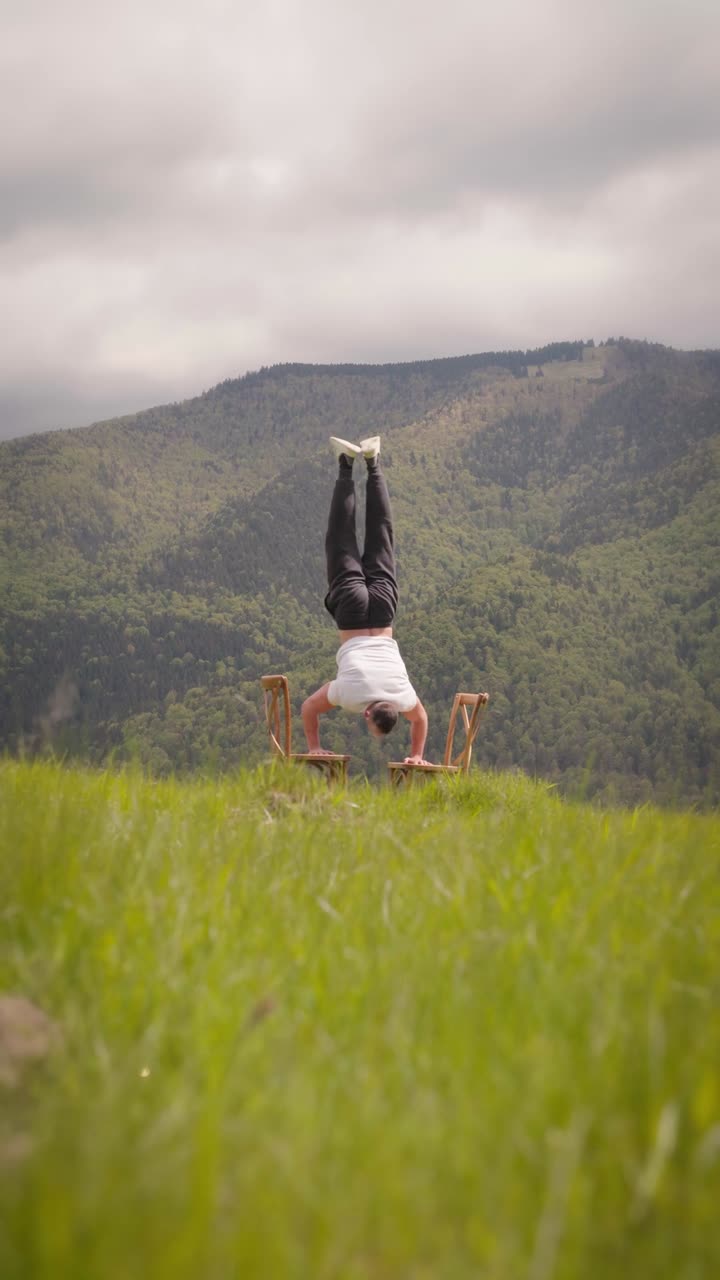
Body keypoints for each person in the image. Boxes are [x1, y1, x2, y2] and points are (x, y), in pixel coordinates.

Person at [301, 435, 430, 763]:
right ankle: (345, 465)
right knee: (341, 539)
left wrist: (417, 754)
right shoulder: (349, 696)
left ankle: (373, 463)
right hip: (352, 614)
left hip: (384, 612)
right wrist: (314, 747)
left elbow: (421, 719)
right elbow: (309, 709)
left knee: (382, 535)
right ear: (367, 716)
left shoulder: (404, 698)